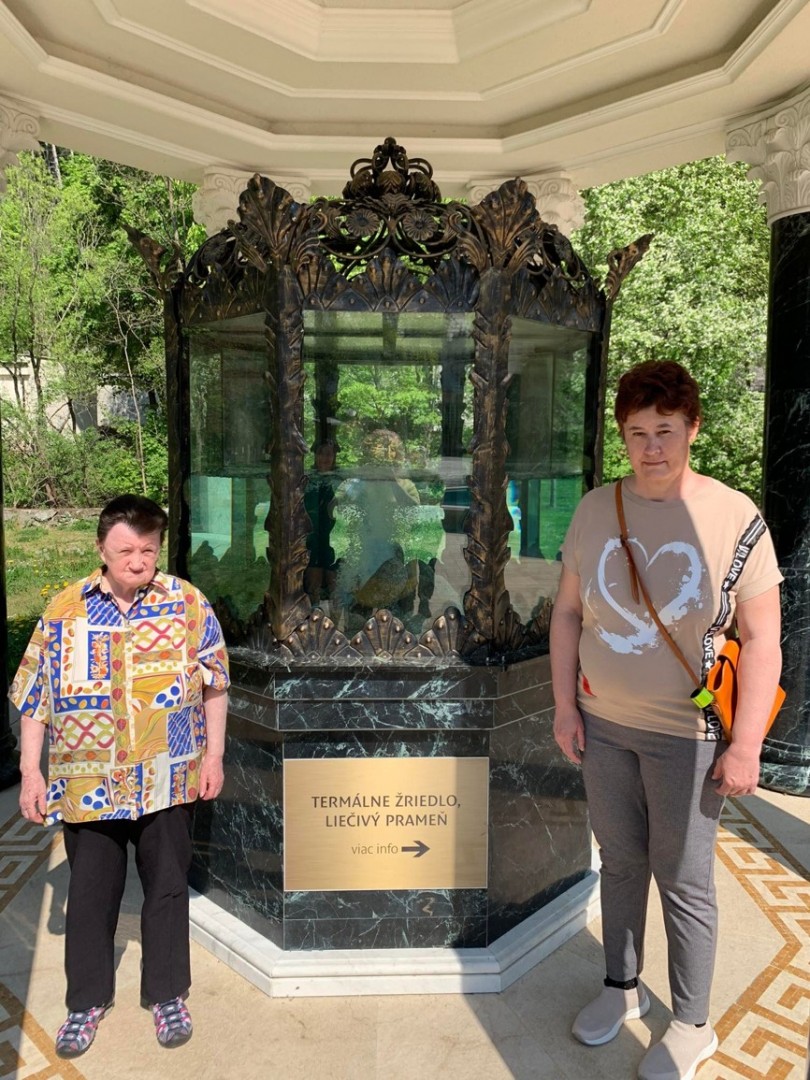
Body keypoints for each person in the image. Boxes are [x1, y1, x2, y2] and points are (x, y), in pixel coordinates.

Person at [550, 361, 782, 1080]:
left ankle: (691, 1023)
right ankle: (621, 986)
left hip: (691, 738)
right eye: (637, 433)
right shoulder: (596, 509)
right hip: (603, 725)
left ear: (692, 428)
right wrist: (564, 705)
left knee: (683, 879)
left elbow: (764, 638)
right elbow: (567, 613)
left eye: (666, 431)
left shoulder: (734, 516)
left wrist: (747, 745)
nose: (651, 448)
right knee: (619, 861)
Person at [11, 494, 230, 1058]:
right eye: (126, 550)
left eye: (148, 550)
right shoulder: (64, 611)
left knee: (167, 887)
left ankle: (167, 994)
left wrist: (213, 757)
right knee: (89, 894)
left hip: (167, 776)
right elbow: (34, 698)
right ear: (101, 549)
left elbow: (215, 685)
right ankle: (86, 1002)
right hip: (89, 783)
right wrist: (31, 773)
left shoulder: (187, 603)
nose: (138, 561)